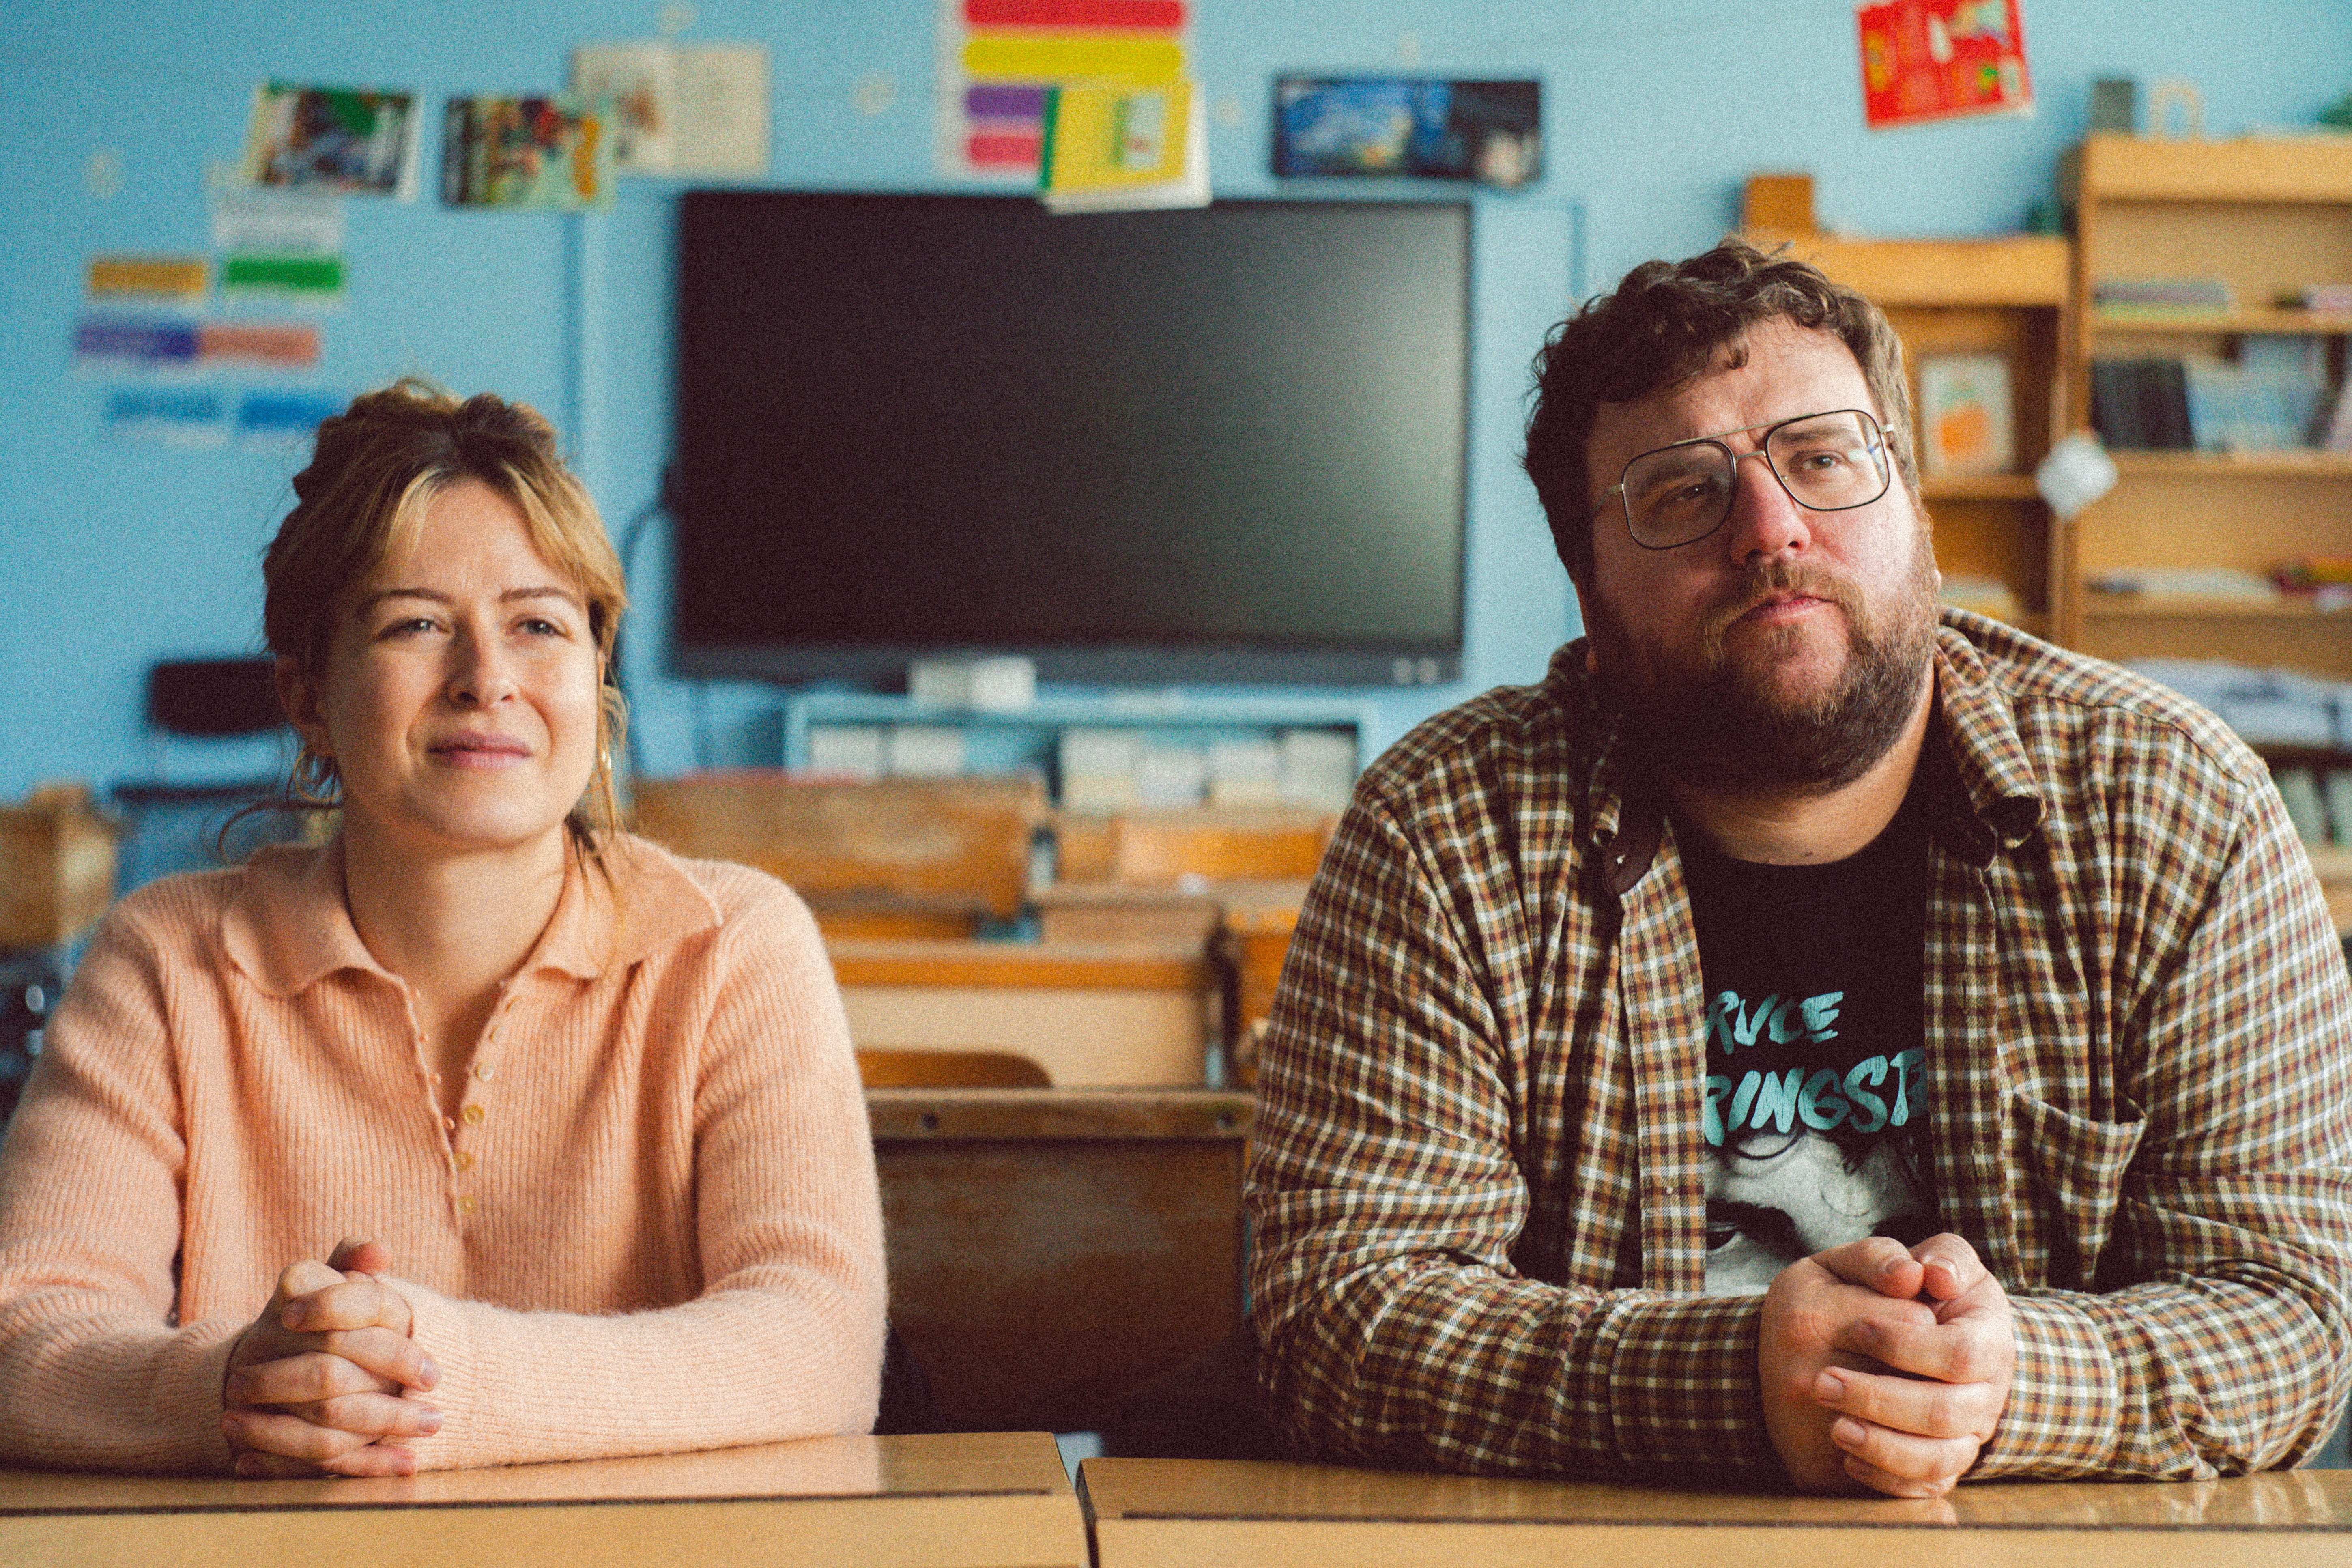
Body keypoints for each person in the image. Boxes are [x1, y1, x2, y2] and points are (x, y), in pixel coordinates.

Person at [1245, 239, 2352, 1498]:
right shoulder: (1445, 831)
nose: (1773, 529)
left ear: (1917, 513)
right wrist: (1731, 1384)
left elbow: (2294, 1313)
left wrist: (2008, 1382)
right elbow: (1336, 1315)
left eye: (1823, 457)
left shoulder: (2175, 808)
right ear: (1590, 601)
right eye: (1680, 492)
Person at [0, 381, 888, 1475]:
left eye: (539, 625)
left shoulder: (734, 946)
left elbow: (817, 1342)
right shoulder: (164, 959)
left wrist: (430, 1380)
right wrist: (231, 1389)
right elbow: (27, 1330)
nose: (487, 681)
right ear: (308, 692)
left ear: (596, 679)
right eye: (416, 623)